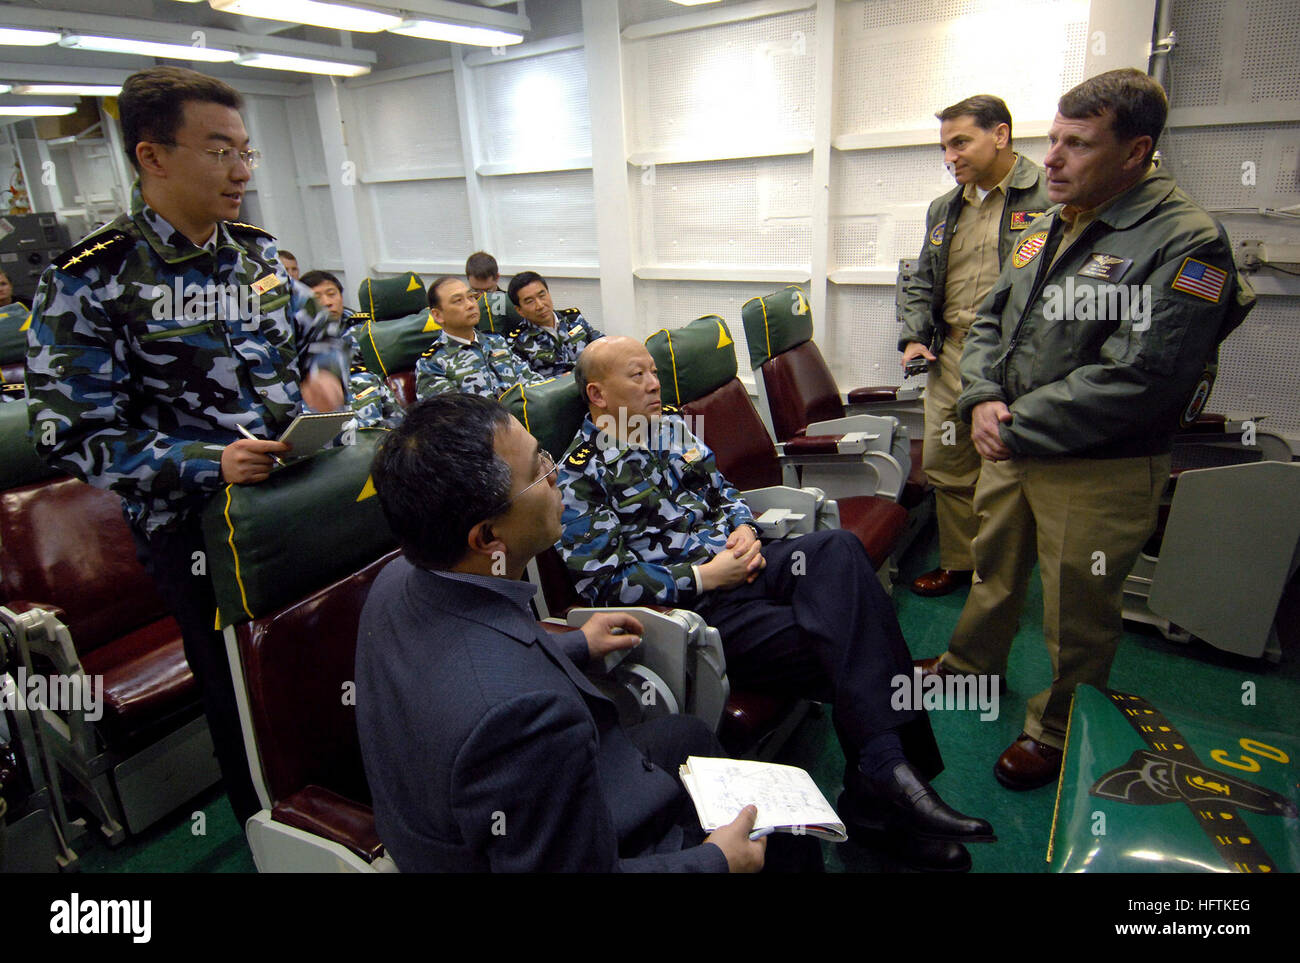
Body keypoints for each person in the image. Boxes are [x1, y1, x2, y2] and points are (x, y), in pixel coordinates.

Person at [24, 66, 347, 826]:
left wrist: (325, 385)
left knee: (316, 667)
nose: (240, 171)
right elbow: (73, 435)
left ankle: (339, 814)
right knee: (245, 699)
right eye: (218, 151)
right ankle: (268, 832)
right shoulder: (91, 281)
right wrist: (209, 462)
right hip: (200, 534)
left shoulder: (256, 254)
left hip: (298, 501)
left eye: (246, 152)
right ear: (153, 157)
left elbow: (324, 334)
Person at [916, 69, 1256, 789]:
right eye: (1055, 138)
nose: (1056, 159)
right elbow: (991, 321)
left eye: (1078, 143)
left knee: (1079, 604)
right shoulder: (1049, 223)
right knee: (994, 568)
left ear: (1135, 152)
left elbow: (1144, 375)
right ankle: (971, 667)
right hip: (1008, 438)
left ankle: (1057, 724)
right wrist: (980, 398)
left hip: (1098, 460)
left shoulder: (1187, 242)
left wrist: (1015, 422)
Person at [557, 336, 996, 872]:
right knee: (860, 639)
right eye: (637, 376)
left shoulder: (671, 428)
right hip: (700, 611)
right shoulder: (580, 473)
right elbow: (603, 585)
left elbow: (725, 493)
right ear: (598, 393)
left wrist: (742, 527)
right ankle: (883, 800)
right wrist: (702, 574)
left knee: (837, 548)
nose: (654, 384)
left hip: (753, 567)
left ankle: (883, 784)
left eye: (654, 372)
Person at [356, 394, 777, 872]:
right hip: (530, 844)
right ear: (488, 538)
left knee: (687, 735)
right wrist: (717, 862)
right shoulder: (522, 717)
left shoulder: (398, 580)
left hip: (477, 810)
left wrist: (575, 642)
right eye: (538, 470)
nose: (556, 474)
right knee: (777, 839)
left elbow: (462, 659)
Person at [899, 95, 1051, 598]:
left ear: (1001, 135)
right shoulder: (945, 208)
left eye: (961, 142)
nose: (950, 157)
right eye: (944, 146)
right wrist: (915, 336)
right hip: (951, 356)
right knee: (947, 464)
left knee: (1004, 471)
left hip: (1016, 360)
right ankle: (960, 563)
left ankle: (999, 577)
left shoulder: (1049, 196)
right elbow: (922, 278)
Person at [415, 276, 542, 399]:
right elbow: (453, 415)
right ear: (437, 315)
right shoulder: (432, 364)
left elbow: (531, 382)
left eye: (471, 297)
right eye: (458, 301)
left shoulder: (496, 342)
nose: (470, 305)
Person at [505, 270, 603, 379]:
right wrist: (561, 380)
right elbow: (527, 383)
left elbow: (602, 345)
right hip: (558, 392)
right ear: (519, 310)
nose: (540, 305)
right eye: (530, 301)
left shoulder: (574, 319)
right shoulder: (517, 343)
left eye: (542, 295)